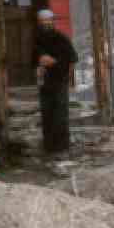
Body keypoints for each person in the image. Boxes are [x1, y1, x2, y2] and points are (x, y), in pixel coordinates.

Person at [33, 8, 78, 154]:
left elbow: (72, 58)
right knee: (47, 115)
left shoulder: (61, 38)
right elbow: (32, 59)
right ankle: (49, 148)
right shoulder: (36, 40)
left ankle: (62, 148)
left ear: (52, 22)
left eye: (47, 20)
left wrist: (53, 62)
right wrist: (39, 63)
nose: (45, 23)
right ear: (39, 23)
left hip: (59, 81)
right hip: (44, 83)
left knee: (60, 115)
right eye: (42, 21)